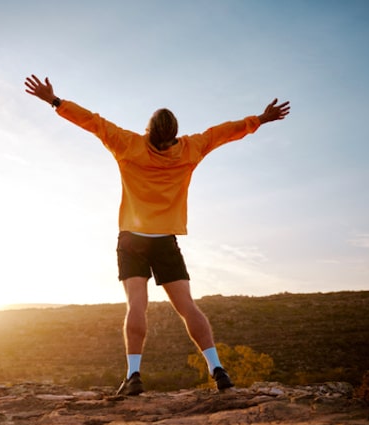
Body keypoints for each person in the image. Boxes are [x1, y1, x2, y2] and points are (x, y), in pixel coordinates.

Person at [24, 74, 290, 395]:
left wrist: (55, 101)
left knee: (136, 307)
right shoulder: (190, 151)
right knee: (187, 307)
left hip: (132, 239)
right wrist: (259, 119)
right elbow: (222, 133)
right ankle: (217, 368)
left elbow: (93, 123)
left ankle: (134, 375)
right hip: (165, 240)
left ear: (148, 129)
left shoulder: (129, 145)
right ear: (174, 135)